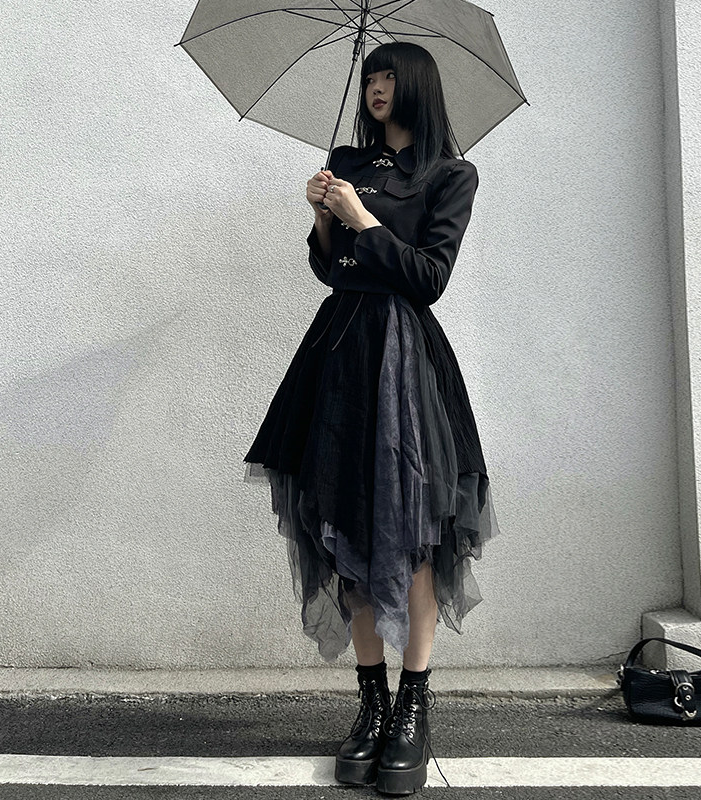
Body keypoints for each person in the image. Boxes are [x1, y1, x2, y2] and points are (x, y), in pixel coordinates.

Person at [243, 41, 500, 795]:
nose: (377, 87)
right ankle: (372, 705)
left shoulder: (451, 174)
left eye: (389, 76)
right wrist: (325, 219)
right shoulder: (347, 161)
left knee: (412, 534)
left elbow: (430, 278)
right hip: (339, 354)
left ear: (416, 85)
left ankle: (412, 709)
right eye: (371, 76)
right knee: (346, 529)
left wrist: (362, 218)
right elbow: (332, 270)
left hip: (404, 362)